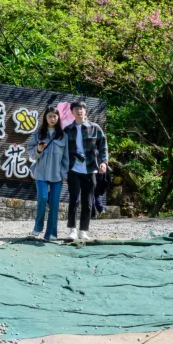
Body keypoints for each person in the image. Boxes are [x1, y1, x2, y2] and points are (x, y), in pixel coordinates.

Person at [64, 101, 108, 241]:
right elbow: (62, 151)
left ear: (85, 111)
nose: (79, 111)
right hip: (73, 169)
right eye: (76, 109)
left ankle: (83, 230)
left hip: (90, 169)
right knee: (73, 200)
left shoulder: (94, 128)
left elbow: (103, 146)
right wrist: (63, 169)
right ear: (72, 112)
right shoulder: (67, 130)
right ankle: (72, 230)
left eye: (82, 108)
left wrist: (103, 162)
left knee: (88, 202)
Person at [25, 105, 68, 241]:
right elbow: (31, 155)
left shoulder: (63, 136)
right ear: (45, 117)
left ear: (58, 118)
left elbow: (66, 157)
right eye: (50, 116)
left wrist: (64, 173)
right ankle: (38, 227)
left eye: (55, 116)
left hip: (57, 175)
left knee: (54, 204)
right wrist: (38, 149)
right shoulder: (39, 135)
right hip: (41, 173)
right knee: (42, 198)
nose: (52, 118)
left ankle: (51, 234)